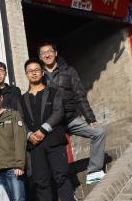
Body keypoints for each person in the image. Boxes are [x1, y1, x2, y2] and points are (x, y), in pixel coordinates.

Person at [38, 41, 107, 184]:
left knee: (99, 132)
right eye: (43, 53)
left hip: (70, 118)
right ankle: (61, 186)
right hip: (52, 122)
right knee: (52, 154)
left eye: (49, 51)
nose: (47, 55)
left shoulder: (69, 71)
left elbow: (80, 95)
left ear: (55, 53)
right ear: (40, 57)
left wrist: (90, 118)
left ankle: (94, 171)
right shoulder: (38, 76)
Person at [20, 58, 76, 201]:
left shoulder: (54, 92)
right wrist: (29, 134)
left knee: (61, 174)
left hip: (54, 140)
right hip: (35, 144)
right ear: (26, 74)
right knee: (41, 179)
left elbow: (58, 112)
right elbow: (20, 120)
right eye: (30, 71)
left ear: (42, 72)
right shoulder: (21, 99)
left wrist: (43, 130)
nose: (34, 73)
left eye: (37, 70)